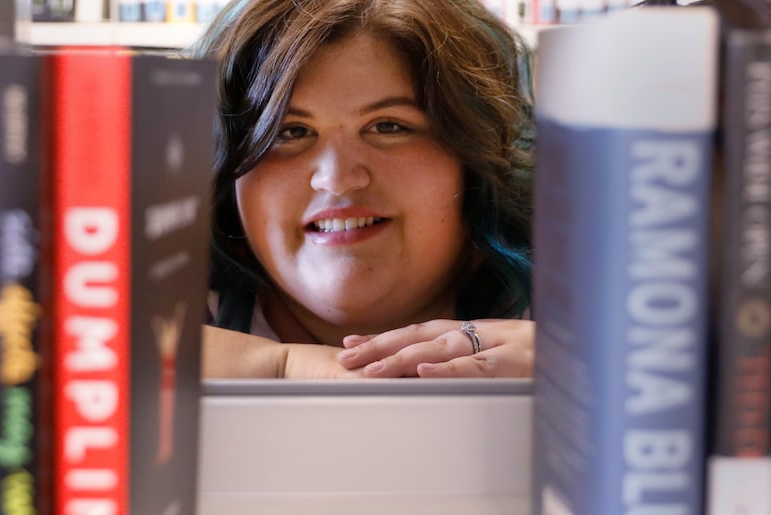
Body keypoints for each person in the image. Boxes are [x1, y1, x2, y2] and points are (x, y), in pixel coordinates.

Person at [188, 0, 536, 379]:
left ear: (478, 160)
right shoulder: (160, 303)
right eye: (290, 132)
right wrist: (282, 365)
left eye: (388, 126)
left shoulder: (577, 314)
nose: (336, 179)